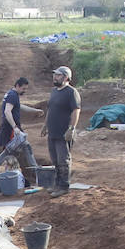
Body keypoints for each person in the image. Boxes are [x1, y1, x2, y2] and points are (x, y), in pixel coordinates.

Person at [0, 76, 39, 188]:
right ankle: (37, 174)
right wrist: (15, 127)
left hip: (11, 129)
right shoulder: (13, 95)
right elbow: (7, 112)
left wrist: (35, 111)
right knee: (16, 150)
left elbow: (19, 106)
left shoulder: (12, 94)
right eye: (23, 89)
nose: (24, 91)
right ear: (17, 86)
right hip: (11, 130)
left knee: (12, 151)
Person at [41, 65, 80, 198]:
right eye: (55, 75)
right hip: (53, 132)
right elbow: (50, 110)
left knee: (63, 160)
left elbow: (76, 110)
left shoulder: (71, 92)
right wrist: (45, 125)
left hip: (64, 133)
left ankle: (64, 186)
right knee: (55, 160)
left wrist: (71, 128)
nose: (55, 77)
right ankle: (57, 184)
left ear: (66, 77)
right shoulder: (54, 91)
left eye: (58, 75)